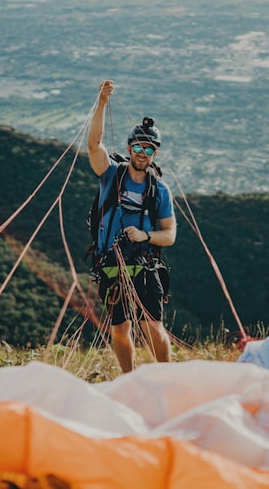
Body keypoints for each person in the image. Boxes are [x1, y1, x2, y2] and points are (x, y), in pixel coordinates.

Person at [87, 79, 177, 373]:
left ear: (155, 154)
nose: (142, 152)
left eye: (149, 149)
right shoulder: (110, 175)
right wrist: (101, 103)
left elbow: (170, 235)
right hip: (112, 265)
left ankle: (165, 377)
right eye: (138, 146)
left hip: (145, 264)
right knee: (120, 327)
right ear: (128, 147)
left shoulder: (159, 190)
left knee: (152, 326)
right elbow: (93, 144)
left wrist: (145, 235)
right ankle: (129, 379)